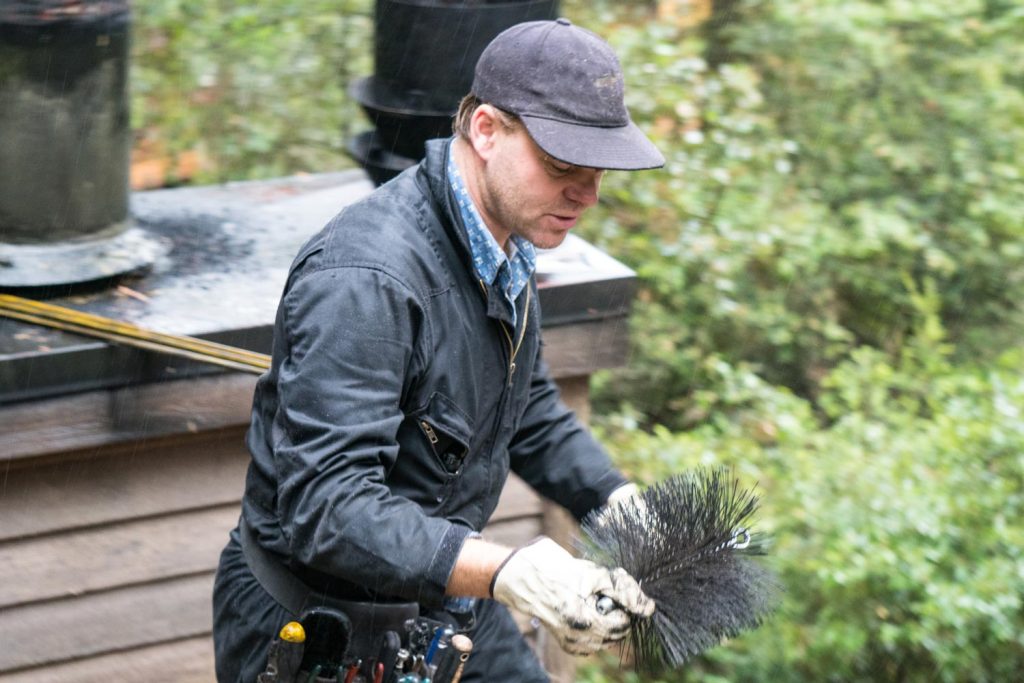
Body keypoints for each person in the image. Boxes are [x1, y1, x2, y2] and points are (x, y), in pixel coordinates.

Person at [213, 18, 665, 682]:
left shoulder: (505, 238)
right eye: (563, 165)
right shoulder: (366, 280)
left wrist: (613, 497)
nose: (587, 195)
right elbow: (328, 507)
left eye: (599, 170)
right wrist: (508, 569)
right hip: (314, 626)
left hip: (435, 609)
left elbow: (528, 406)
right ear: (486, 130)